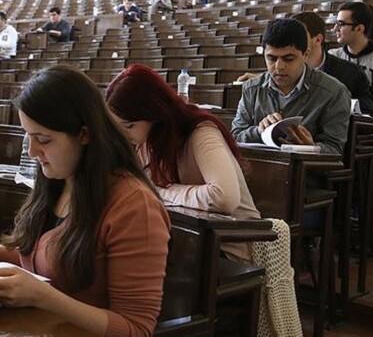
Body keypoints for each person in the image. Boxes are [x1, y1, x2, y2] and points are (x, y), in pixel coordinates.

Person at [0, 65, 170, 336]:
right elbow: (55, 259)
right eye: (28, 136)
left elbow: (136, 328)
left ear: (85, 134)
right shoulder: (59, 179)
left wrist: (44, 297)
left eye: (44, 140)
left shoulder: (134, 206)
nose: (32, 151)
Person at [106, 64, 260, 262]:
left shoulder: (201, 132)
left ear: (154, 113)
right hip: (187, 239)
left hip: (229, 247)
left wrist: (160, 191)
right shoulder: (144, 140)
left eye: (129, 125)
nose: (123, 135)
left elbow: (224, 198)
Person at [231, 18, 351, 155]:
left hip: (305, 173)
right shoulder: (251, 89)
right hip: (259, 170)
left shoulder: (333, 92)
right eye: (271, 58)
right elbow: (234, 138)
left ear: (305, 54)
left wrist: (311, 148)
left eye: (288, 59)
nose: (279, 67)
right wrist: (259, 130)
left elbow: (335, 150)